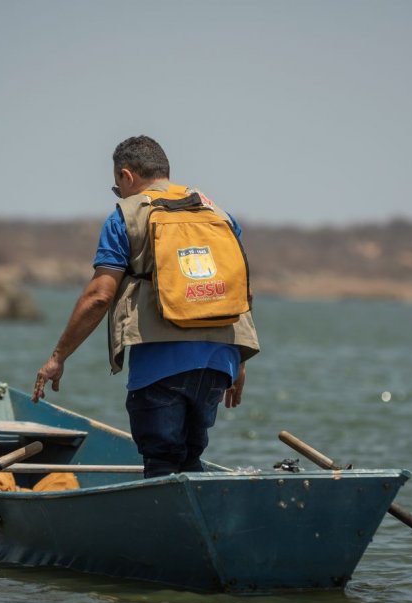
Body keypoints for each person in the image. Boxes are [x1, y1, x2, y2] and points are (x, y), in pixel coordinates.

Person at [31, 135, 260, 478]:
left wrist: (58, 357)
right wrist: (238, 360)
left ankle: (168, 529)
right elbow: (240, 291)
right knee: (189, 456)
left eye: (116, 186)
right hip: (219, 361)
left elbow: (99, 296)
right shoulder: (219, 214)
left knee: (162, 461)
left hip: (160, 362)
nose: (119, 194)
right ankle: (195, 528)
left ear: (126, 176)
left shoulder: (126, 216)